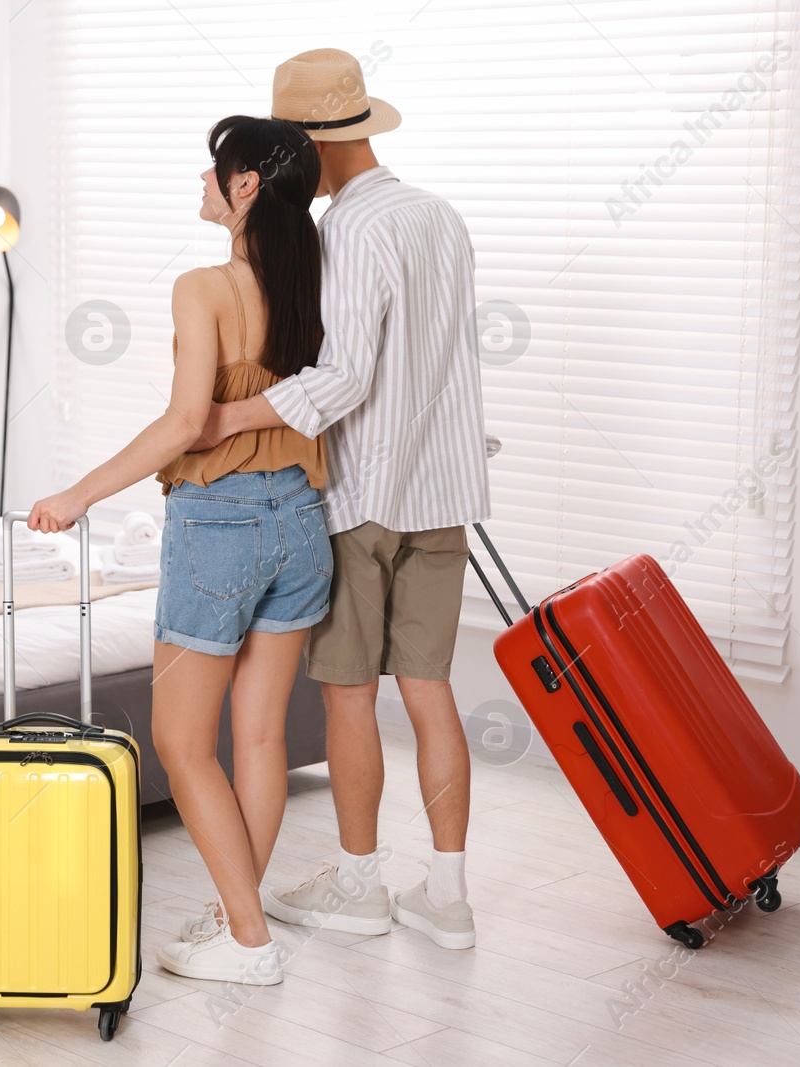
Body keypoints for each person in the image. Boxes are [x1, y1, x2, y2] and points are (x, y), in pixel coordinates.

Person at [193, 48, 491, 950]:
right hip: (445, 491)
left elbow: (347, 375)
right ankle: (447, 897)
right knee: (432, 690)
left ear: (317, 144)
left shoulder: (352, 231)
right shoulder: (439, 216)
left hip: (363, 496)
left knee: (351, 698)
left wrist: (224, 415)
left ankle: (360, 885)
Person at [28, 115, 330, 985]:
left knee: (182, 743)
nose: (202, 182)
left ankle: (249, 942)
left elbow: (186, 422)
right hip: (301, 519)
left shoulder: (205, 286)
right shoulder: (310, 283)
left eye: (214, 170)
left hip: (221, 527)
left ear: (246, 188)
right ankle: (239, 924)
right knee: (261, 737)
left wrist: (77, 494)